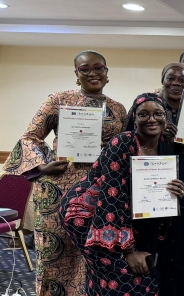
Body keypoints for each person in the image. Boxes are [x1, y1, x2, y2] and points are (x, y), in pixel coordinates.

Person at [2, 50, 127, 295]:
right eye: (85, 69)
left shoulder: (119, 110)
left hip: (100, 189)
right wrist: (41, 165)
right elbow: (30, 137)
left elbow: (125, 146)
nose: (93, 73)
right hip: (58, 187)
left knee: (95, 254)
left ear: (107, 73)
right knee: (54, 257)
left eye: (98, 67)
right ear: (76, 75)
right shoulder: (58, 99)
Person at [61, 93, 184, 296]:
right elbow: (112, 197)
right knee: (123, 280)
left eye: (158, 114)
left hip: (124, 218)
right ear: (134, 119)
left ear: (166, 118)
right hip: (89, 217)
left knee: (139, 277)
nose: (152, 119)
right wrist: (128, 251)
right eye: (143, 114)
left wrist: (175, 192)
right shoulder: (123, 143)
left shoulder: (165, 149)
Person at [125, 63, 184, 296]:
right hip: (149, 182)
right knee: (154, 240)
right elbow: (127, 139)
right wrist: (155, 135)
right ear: (162, 80)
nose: (176, 83)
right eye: (171, 78)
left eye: (183, 79)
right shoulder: (147, 104)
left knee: (183, 242)